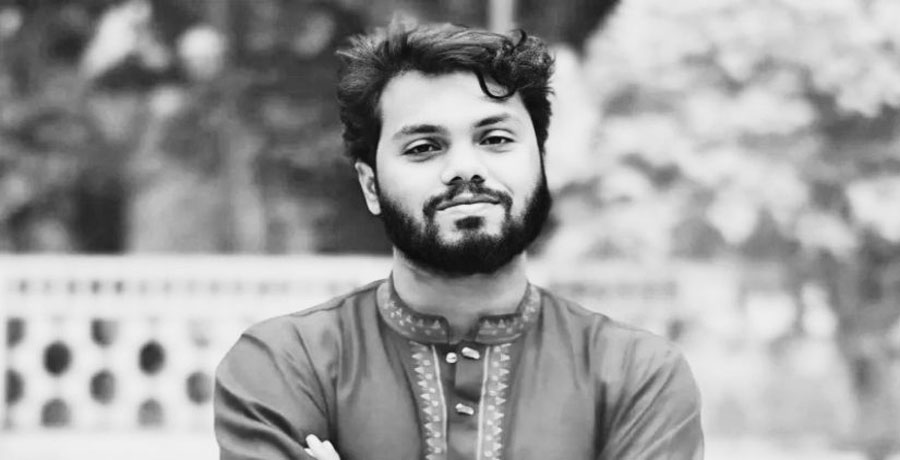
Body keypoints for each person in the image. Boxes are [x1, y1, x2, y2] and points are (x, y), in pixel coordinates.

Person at [214, 21, 704, 460]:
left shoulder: (637, 375)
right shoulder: (285, 364)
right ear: (370, 186)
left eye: (495, 139)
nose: (466, 168)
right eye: (424, 147)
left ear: (541, 162)